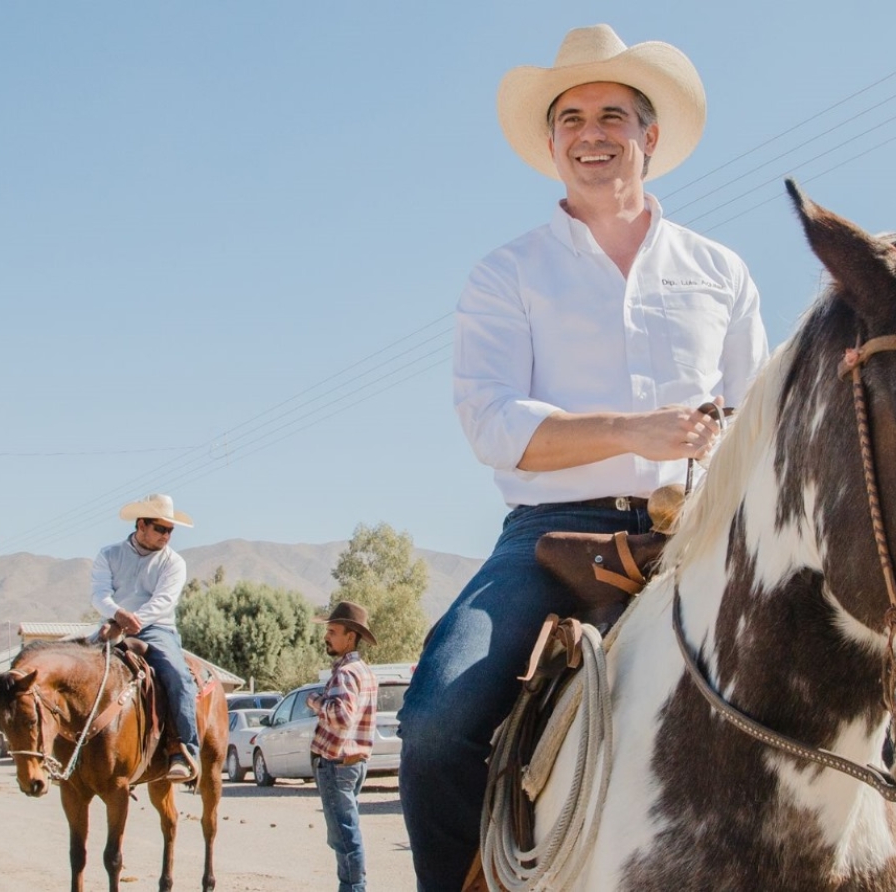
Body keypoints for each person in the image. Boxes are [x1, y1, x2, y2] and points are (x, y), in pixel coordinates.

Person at [398, 23, 770, 890]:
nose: (591, 133)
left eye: (612, 115)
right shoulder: (507, 274)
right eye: (570, 118)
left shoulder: (721, 272)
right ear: (553, 142)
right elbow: (493, 424)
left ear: (650, 136)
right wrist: (632, 431)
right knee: (433, 726)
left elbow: (758, 417)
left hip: (705, 530)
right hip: (551, 537)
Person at [90, 493, 200, 781]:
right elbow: (99, 594)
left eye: (170, 530)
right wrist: (116, 615)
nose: (167, 536)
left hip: (157, 628)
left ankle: (183, 751)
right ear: (141, 525)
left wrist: (129, 621)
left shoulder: (173, 562)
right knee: (78, 670)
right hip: (113, 622)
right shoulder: (109, 554)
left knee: (178, 676)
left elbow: (163, 601)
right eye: (161, 529)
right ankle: (71, 745)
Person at [307, 601, 379, 892]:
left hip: (338, 765)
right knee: (345, 833)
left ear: (350, 637)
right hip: (353, 763)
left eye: (333, 631)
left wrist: (315, 702)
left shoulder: (346, 673)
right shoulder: (364, 671)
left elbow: (341, 716)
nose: (327, 637)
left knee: (345, 838)